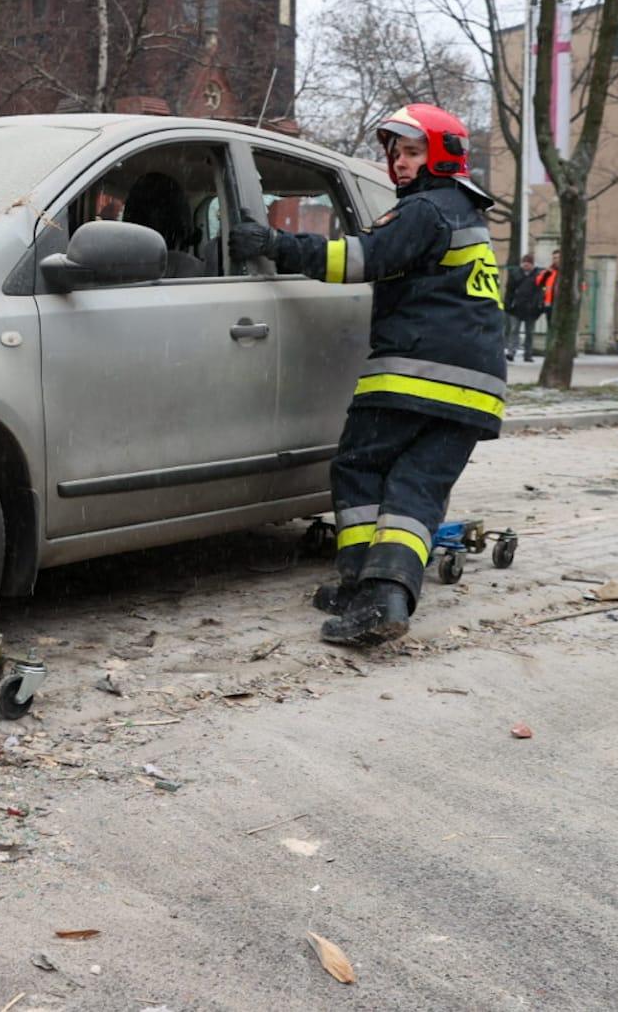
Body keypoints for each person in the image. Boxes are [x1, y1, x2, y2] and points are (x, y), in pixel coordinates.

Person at [229, 103, 506, 647]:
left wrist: (277, 246)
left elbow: (360, 260)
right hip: (478, 388)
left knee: (359, 467)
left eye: (411, 152)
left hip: (416, 376)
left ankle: (360, 581)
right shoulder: (465, 213)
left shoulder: (426, 209)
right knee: (416, 490)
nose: (399, 164)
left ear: (442, 156)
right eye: (395, 154)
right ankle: (387, 598)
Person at [503, 252, 545, 362]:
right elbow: (509, 290)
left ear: (532, 265)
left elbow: (541, 292)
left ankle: (528, 354)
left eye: (528, 263)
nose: (525, 265)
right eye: (524, 263)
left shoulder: (538, 275)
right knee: (514, 330)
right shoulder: (515, 273)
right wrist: (507, 304)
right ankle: (511, 352)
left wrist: (539, 306)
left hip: (531, 308)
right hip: (516, 307)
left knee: (529, 333)